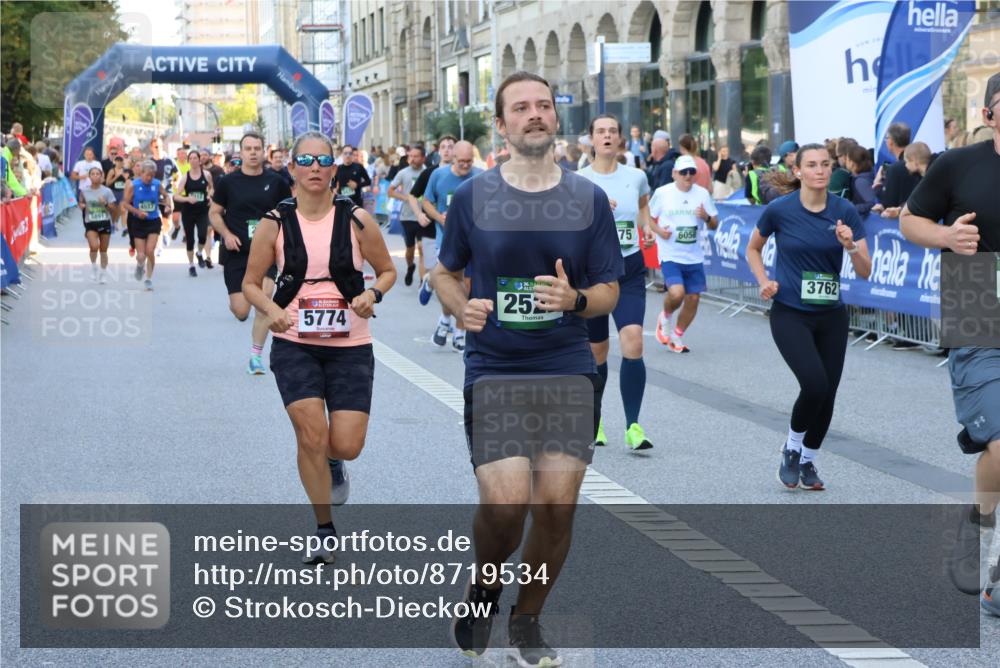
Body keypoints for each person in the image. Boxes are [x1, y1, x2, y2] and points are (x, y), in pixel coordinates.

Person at [433, 71, 621, 666]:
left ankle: (527, 620)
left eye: (543, 105)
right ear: (501, 125)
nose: (534, 113)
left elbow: (610, 289)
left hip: (566, 364)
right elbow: (444, 271)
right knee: (507, 504)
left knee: (557, 506)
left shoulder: (588, 198)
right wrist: (461, 306)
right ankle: (484, 590)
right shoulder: (473, 197)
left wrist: (577, 300)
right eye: (520, 107)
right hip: (495, 367)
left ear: (555, 118)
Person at [243, 131, 396, 560]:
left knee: (345, 444)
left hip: (350, 344)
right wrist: (271, 309)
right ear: (292, 168)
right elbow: (250, 284)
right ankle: (324, 528)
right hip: (294, 342)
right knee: (311, 434)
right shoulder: (274, 222)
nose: (315, 167)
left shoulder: (357, 220)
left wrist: (372, 294)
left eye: (323, 161)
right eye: (306, 160)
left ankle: (334, 461)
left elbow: (387, 271)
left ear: (334, 169)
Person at [899, 73, 1000, 613]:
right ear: (989, 115)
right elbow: (909, 220)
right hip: (978, 309)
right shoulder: (957, 165)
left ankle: (986, 535)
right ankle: (985, 537)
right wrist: (945, 236)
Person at [745, 144, 872, 491]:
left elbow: (865, 270)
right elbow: (753, 248)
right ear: (798, 171)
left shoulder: (844, 210)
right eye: (812, 165)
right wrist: (763, 281)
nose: (820, 170)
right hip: (790, 313)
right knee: (814, 384)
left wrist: (850, 245)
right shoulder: (780, 210)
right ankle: (791, 447)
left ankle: (808, 459)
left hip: (831, 315)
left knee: (828, 393)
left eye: (825, 164)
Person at [579, 114, 656, 450]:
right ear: (592, 139)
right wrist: (595, 212)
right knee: (597, 352)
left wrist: (647, 226)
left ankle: (633, 426)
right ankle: (594, 421)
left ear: (621, 138)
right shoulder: (579, 181)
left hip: (630, 267)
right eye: (601, 131)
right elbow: (569, 225)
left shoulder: (636, 176)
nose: (607, 136)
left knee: (633, 340)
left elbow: (643, 207)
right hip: (595, 273)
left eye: (612, 131)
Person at [209, 132, 293, 375]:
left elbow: (288, 214)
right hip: (237, 252)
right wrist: (226, 234)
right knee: (241, 311)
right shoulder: (228, 182)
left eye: (257, 148)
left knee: (265, 299)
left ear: (263, 151)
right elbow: (214, 213)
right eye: (248, 148)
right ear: (241, 152)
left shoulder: (277, 182)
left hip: (267, 251)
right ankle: (237, 306)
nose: (253, 152)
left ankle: (256, 357)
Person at [650, 154, 719, 354]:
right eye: (683, 172)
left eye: (691, 172)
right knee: (677, 293)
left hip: (694, 255)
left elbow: (714, 224)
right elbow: (649, 218)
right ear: (674, 173)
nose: (688, 176)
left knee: (693, 298)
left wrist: (706, 217)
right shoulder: (663, 193)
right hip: (670, 253)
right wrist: (659, 231)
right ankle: (665, 316)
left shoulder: (702, 194)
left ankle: (676, 335)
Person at [420, 140, 481, 350]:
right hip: (446, 239)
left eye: (469, 161)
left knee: (467, 287)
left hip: (473, 241)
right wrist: (439, 218)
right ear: (453, 158)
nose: (465, 165)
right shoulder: (439, 175)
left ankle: (453, 328)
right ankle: (451, 325)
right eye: (461, 161)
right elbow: (426, 201)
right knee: (452, 282)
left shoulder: (481, 177)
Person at [122, 160, 170, 290]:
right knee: (141, 255)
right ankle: (140, 265)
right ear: (141, 173)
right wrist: (138, 212)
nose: (149, 178)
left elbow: (166, 195)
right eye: (147, 175)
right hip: (138, 222)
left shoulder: (157, 184)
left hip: (153, 221)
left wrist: (168, 206)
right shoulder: (134, 185)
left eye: (152, 175)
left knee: (150, 251)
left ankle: (148, 279)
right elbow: (125, 204)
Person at [388, 145, 430, 287]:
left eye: (415, 156)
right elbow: (390, 191)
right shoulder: (403, 173)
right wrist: (406, 198)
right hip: (407, 217)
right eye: (410, 156)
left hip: (424, 216)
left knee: (422, 248)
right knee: (410, 250)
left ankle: (422, 282)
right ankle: (410, 266)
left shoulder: (428, 172)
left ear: (423, 158)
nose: (411, 159)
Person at [174, 149, 214, 277]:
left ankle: (199, 253)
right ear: (188, 161)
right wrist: (187, 199)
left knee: (202, 236)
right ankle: (191, 265)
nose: (192, 160)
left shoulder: (206, 174)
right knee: (190, 240)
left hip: (202, 210)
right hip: (188, 212)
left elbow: (211, 188)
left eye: (195, 158)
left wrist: (209, 196)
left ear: (199, 160)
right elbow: (176, 196)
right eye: (190, 158)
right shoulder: (185, 177)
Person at [78, 167, 117, 283]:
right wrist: (81, 205)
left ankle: (103, 273)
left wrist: (105, 203)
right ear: (89, 177)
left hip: (104, 221)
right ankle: (94, 266)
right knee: (94, 246)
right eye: (93, 174)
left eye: (97, 174)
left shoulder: (107, 191)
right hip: (90, 222)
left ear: (101, 176)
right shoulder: (84, 191)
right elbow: (81, 202)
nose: (95, 176)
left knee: (103, 251)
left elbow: (114, 208)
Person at [877, 122, 921, 208]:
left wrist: (877, 185)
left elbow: (888, 203)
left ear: (891, 141)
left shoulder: (895, 169)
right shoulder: (919, 161)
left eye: (886, 138)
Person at [332, 144, 371, 209]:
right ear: (342, 155)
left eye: (350, 153)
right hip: (342, 203)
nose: (348, 155)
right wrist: (334, 188)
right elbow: (333, 181)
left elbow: (368, 181)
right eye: (345, 153)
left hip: (356, 203)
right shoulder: (338, 168)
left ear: (352, 155)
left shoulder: (358, 167)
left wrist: (357, 185)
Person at [844, 145, 877, 217]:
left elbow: (873, 203)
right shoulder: (868, 175)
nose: (845, 161)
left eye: (847, 159)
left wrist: (850, 207)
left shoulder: (861, 181)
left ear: (852, 163)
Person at [105, 154, 131, 234]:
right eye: (118, 161)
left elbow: (128, 182)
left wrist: (125, 178)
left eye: (121, 162)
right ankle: (113, 223)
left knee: (121, 209)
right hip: (113, 191)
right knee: (114, 209)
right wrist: (116, 176)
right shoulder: (112, 171)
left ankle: (120, 225)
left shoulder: (125, 170)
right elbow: (107, 183)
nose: (119, 163)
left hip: (122, 192)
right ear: (115, 162)